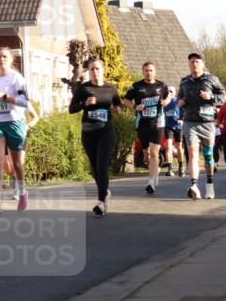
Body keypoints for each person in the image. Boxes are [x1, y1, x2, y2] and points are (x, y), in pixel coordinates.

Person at [70, 58, 122, 215]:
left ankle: (100, 202)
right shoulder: (83, 88)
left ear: (103, 70)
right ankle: (105, 192)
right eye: (92, 69)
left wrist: (117, 109)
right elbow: (71, 109)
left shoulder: (111, 89)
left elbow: (117, 104)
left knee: (101, 165)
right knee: (94, 168)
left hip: (106, 131)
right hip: (88, 132)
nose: (94, 72)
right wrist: (84, 104)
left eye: (97, 68)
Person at [0, 47, 31, 213]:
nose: (1, 59)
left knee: (17, 164)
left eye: (4, 57)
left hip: (14, 122)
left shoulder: (17, 78)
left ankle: (23, 192)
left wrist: (4, 96)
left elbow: (24, 102)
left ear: (11, 60)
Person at [177, 52, 226, 199]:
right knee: (192, 154)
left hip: (207, 123)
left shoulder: (212, 79)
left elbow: (223, 97)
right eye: (192, 62)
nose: (194, 64)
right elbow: (180, 97)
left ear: (202, 64)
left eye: (197, 61)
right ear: (189, 64)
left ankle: (209, 184)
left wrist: (211, 97)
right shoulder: (184, 81)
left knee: (208, 157)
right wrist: (180, 102)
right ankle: (194, 185)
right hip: (190, 122)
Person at [123, 62, 170, 195]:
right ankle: (154, 172)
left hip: (158, 123)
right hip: (142, 123)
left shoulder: (161, 85)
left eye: (151, 70)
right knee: (147, 154)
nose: (148, 73)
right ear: (143, 72)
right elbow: (125, 100)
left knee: (154, 152)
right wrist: (135, 107)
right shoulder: (136, 86)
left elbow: (170, 95)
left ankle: (150, 182)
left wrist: (166, 102)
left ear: (155, 72)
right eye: (146, 71)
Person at [161, 86, 184, 177]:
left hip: (178, 126)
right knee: (169, 147)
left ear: (174, 93)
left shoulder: (178, 101)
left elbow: (185, 111)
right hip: (168, 126)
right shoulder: (164, 102)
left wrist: (182, 120)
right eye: (168, 91)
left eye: (171, 92)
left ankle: (181, 167)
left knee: (179, 147)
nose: (169, 93)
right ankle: (170, 169)